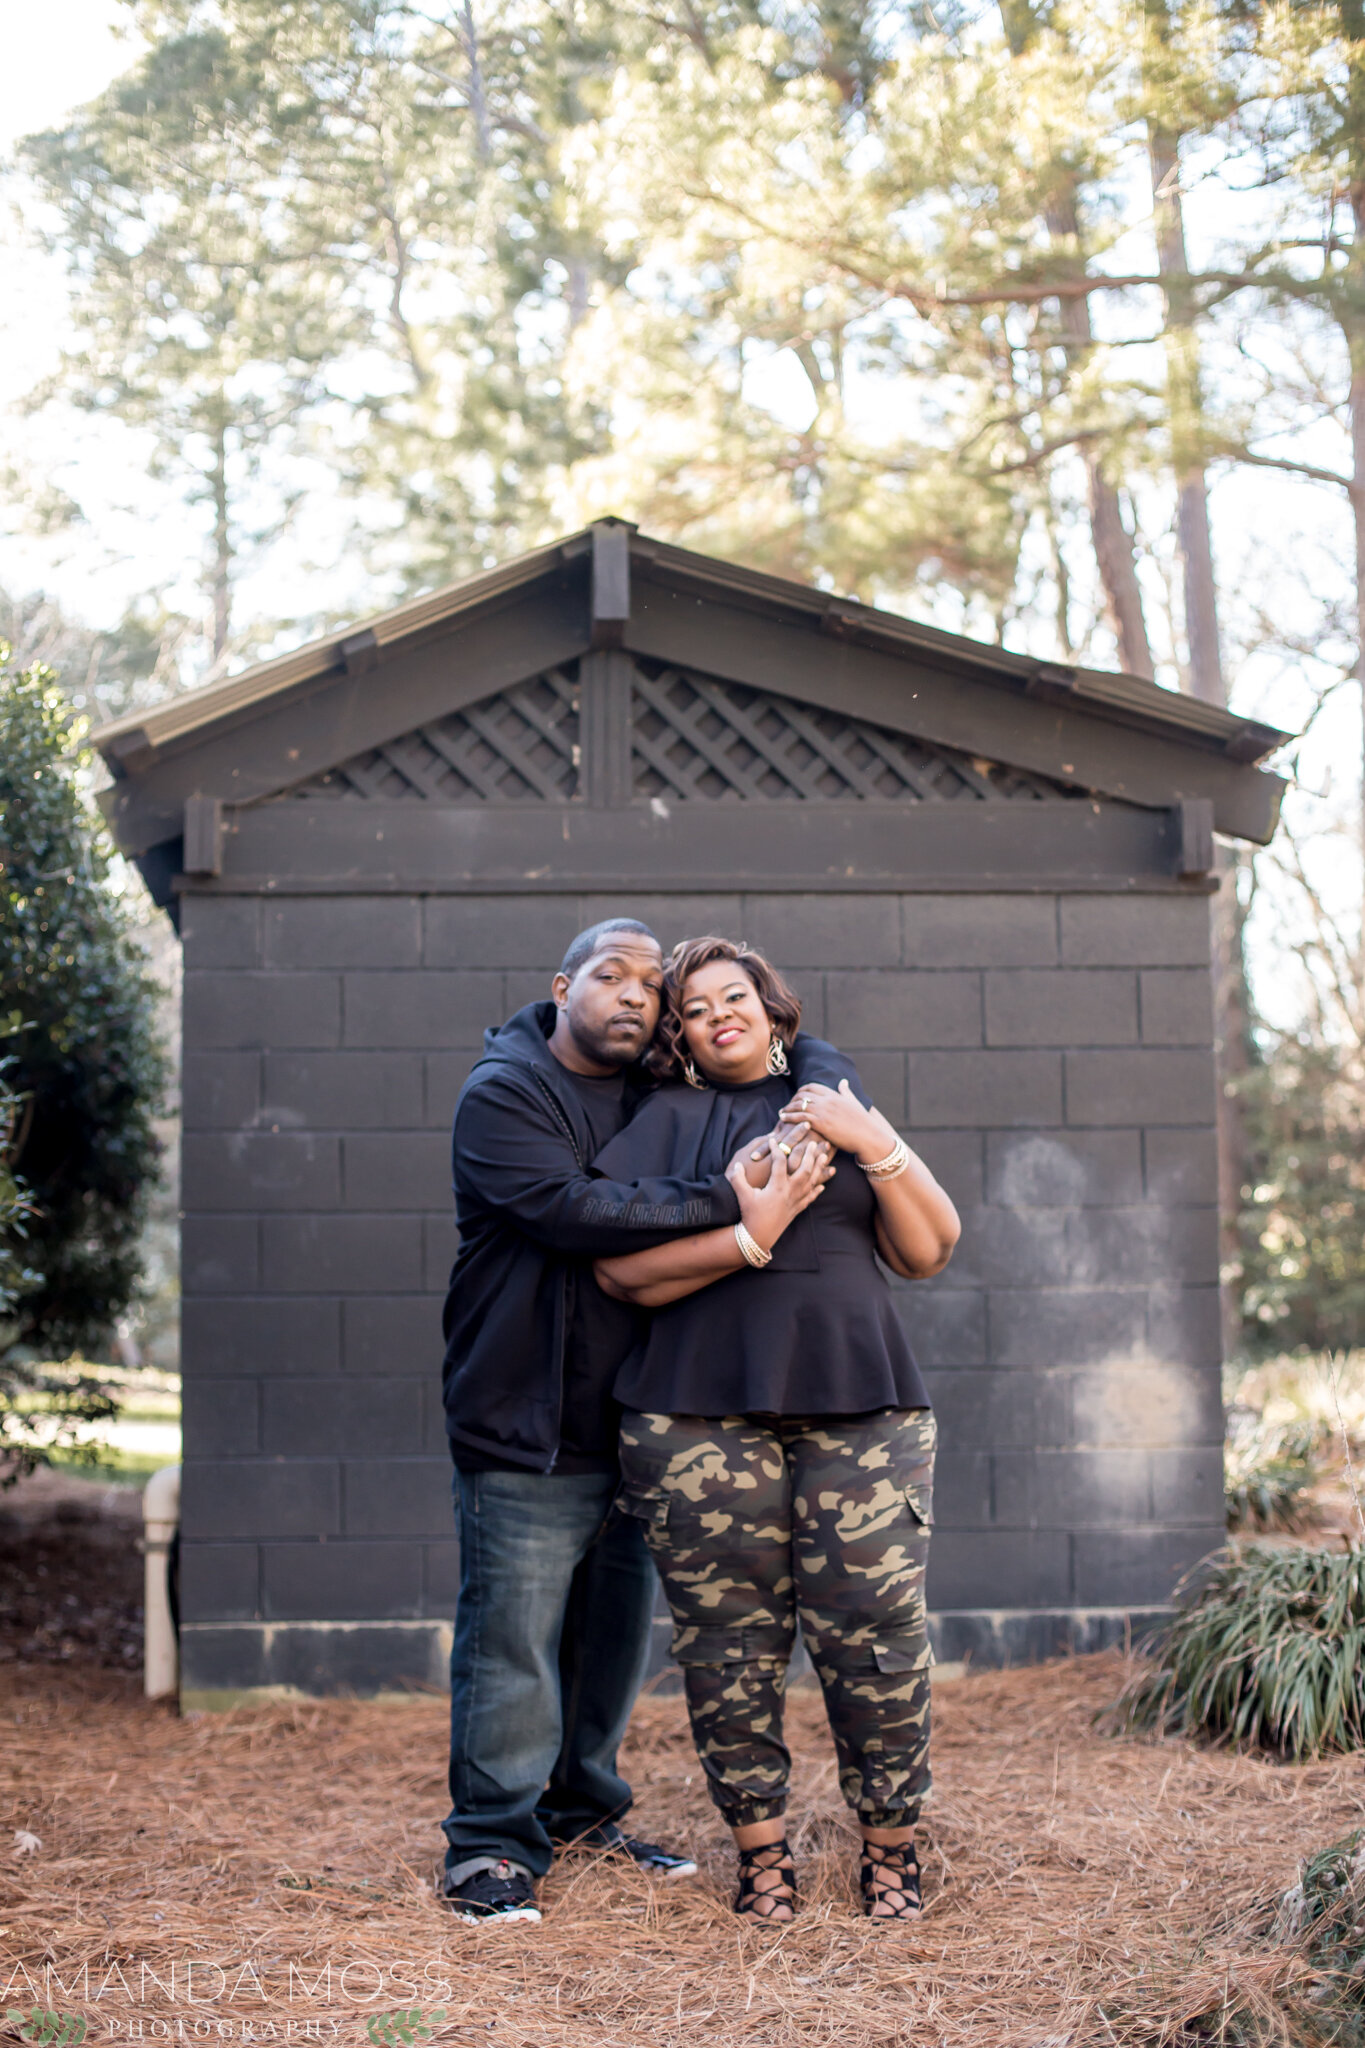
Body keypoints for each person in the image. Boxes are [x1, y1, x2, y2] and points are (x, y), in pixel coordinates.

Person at [438, 917, 834, 1925]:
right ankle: (490, 1844)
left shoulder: (660, 1085)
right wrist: (727, 1202)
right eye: (612, 976)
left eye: (653, 986)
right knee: (514, 1640)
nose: (637, 996)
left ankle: (583, 1809)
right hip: (525, 1416)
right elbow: (573, 1212)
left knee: (608, 1638)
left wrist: (815, 1055)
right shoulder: (505, 1093)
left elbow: (776, 1052)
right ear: (562, 983)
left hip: (635, 1416)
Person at [593, 936, 961, 1923]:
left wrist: (870, 1139)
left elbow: (929, 1247)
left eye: (735, 994)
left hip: (863, 1409)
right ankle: (762, 1855)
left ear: (771, 1005)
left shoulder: (832, 1100)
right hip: (699, 1419)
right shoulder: (660, 1121)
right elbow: (618, 1273)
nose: (721, 1013)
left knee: (877, 1638)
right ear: (679, 1032)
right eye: (697, 1006)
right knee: (728, 1645)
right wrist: (748, 1238)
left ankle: (891, 1848)